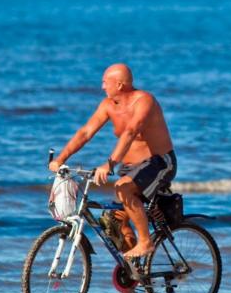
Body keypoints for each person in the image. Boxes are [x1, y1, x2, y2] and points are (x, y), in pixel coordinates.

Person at [47, 64, 176, 260]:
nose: (102, 87)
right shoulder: (108, 105)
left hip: (159, 163)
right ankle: (133, 271)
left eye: (105, 82)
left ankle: (145, 242)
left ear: (120, 84)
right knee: (111, 222)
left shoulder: (144, 101)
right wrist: (61, 159)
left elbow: (131, 132)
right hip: (131, 170)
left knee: (123, 188)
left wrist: (109, 164)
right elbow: (86, 132)